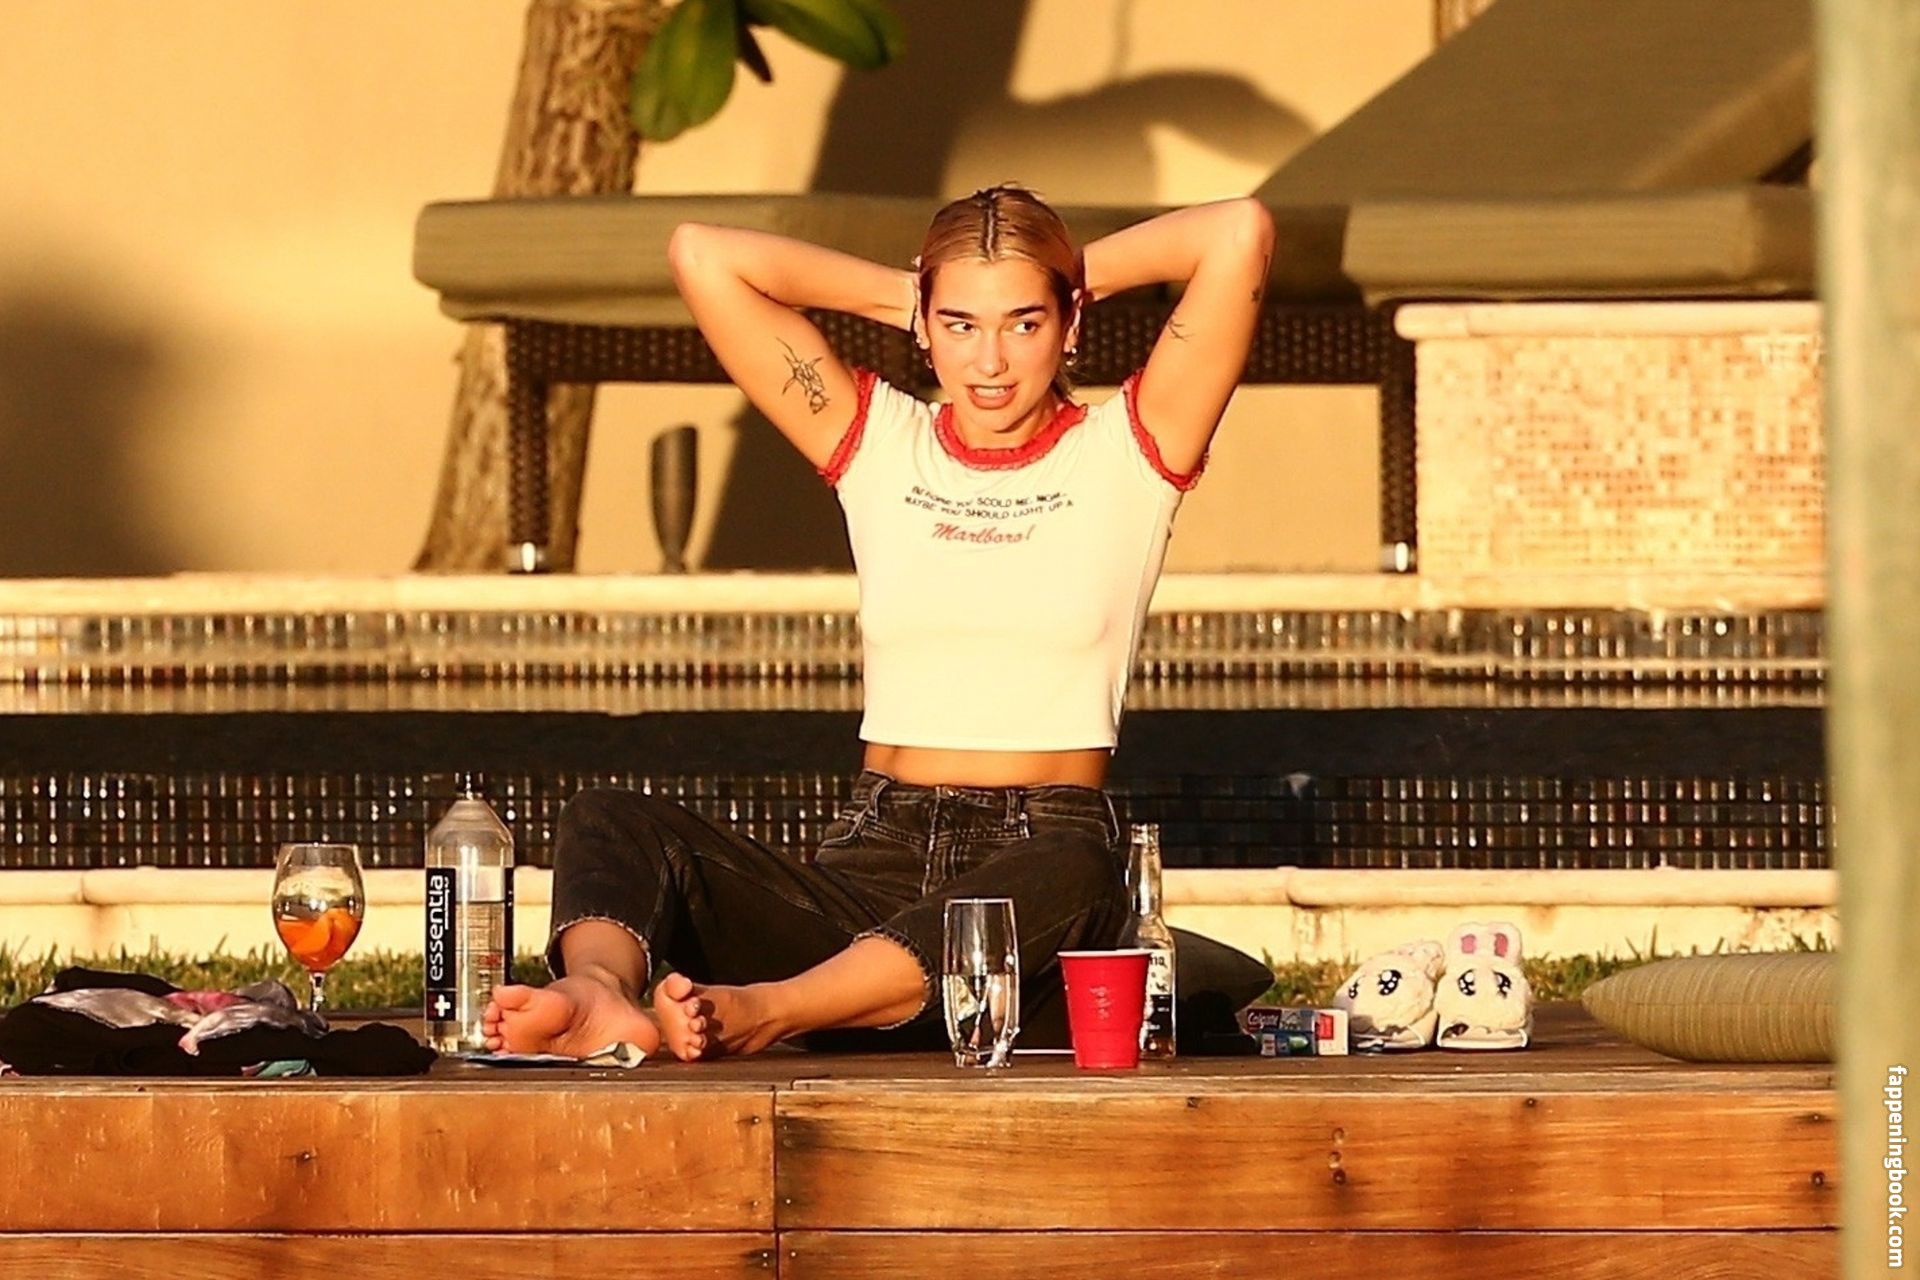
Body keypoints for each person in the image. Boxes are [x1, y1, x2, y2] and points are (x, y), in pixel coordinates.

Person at [484, 185, 1274, 1061]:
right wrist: (912, 293)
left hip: (1038, 861)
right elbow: (702, 256)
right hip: (870, 860)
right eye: (960, 324)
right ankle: (600, 993)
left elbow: (1238, 232)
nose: (990, 361)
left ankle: (770, 1012)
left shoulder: (1131, 449)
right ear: (926, 325)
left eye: (1024, 322)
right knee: (610, 819)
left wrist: (1060, 273)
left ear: (1069, 322)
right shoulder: (880, 440)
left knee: (1083, 869)